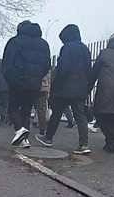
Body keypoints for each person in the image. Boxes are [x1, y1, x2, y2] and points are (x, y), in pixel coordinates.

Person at [37, 24, 92, 155]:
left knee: (57, 113)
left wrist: (56, 84)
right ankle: (83, 144)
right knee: (80, 116)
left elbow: (63, 68)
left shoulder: (67, 48)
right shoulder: (85, 49)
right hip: (80, 88)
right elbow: (89, 70)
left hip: (65, 88)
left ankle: (48, 138)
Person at [2, 20, 51, 147]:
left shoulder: (15, 41)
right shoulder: (43, 44)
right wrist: (37, 76)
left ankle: (20, 130)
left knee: (12, 108)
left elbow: (6, 63)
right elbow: (47, 65)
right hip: (34, 84)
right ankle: (25, 141)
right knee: (26, 110)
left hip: (17, 81)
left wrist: (9, 78)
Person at [34, 70, 51, 135]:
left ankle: (24, 128)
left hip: (33, 88)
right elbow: (49, 80)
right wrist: (49, 92)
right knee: (41, 110)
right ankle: (42, 129)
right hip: (44, 90)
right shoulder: (47, 68)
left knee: (27, 108)